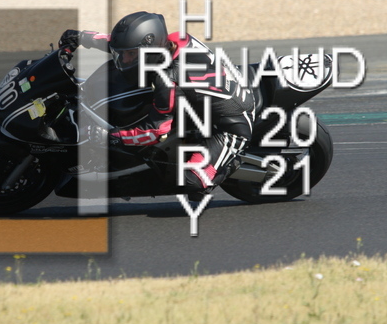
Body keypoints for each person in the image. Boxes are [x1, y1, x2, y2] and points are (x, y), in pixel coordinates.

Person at [58, 11, 255, 200]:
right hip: (211, 99)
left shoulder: (169, 79)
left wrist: (113, 136)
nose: (124, 59)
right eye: (125, 54)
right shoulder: (174, 41)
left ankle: (231, 163)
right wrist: (82, 37)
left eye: (131, 55)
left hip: (231, 124)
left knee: (191, 182)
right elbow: (121, 44)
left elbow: (155, 131)